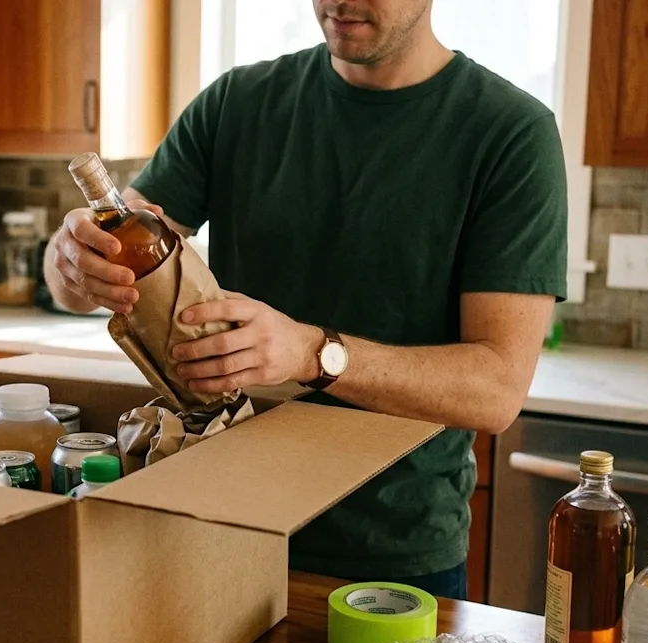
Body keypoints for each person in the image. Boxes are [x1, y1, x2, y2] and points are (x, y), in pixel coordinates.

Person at [43, 0, 567, 599]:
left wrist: (313, 353)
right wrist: (72, 262)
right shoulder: (237, 103)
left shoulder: (509, 133)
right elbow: (114, 257)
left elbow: (497, 389)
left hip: (391, 553)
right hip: (224, 524)